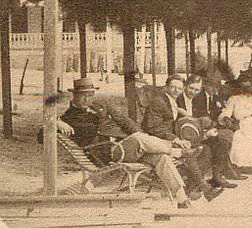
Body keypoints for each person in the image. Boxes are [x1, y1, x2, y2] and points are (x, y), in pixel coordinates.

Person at [55, 78, 195, 208]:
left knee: (161, 157)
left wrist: (141, 135)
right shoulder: (69, 116)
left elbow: (124, 121)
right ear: (74, 96)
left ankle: (182, 199)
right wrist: (57, 122)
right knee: (139, 140)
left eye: (91, 94)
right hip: (109, 152)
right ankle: (176, 151)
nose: (88, 98)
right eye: (84, 95)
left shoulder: (101, 105)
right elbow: (42, 135)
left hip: (129, 147)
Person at [142, 75, 223, 203]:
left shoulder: (171, 101)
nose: (176, 91)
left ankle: (192, 187)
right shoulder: (159, 101)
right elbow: (152, 127)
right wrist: (175, 139)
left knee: (206, 150)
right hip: (156, 141)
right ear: (166, 87)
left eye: (179, 88)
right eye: (173, 87)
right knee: (191, 153)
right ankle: (205, 189)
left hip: (169, 137)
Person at [177, 74, 239, 188]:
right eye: (191, 88)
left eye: (196, 89)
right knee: (209, 146)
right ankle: (197, 183)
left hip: (195, 131)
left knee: (219, 142)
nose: (193, 92)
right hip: (183, 134)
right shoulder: (179, 99)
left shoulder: (194, 99)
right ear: (185, 86)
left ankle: (217, 176)